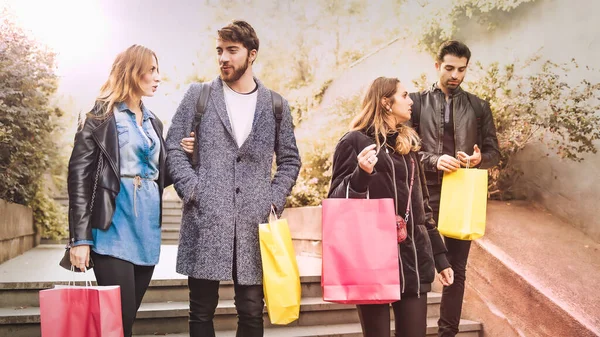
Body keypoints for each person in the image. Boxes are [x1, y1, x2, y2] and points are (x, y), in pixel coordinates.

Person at [165, 20, 301, 337]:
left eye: (232, 51)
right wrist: (193, 190)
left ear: (251, 55)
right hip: (206, 218)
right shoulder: (198, 96)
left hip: (256, 223)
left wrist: (273, 199)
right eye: (220, 51)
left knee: (252, 313)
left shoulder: (276, 104)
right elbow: (173, 146)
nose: (223, 58)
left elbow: (290, 158)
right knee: (200, 312)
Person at [328, 77, 454, 337]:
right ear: (386, 102)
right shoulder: (354, 142)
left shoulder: (408, 145)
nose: (411, 101)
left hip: (413, 258)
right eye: (404, 95)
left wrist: (441, 257)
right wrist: (361, 174)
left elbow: (422, 207)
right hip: (371, 257)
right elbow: (336, 202)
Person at [67, 44, 171, 337]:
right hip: (112, 228)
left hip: (147, 232)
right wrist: (80, 239)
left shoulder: (154, 122)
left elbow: (161, 175)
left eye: (157, 70)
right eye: (150, 70)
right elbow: (79, 179)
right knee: (117, 320)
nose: (157, 77)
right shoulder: (100, 117)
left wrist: (188, 153)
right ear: (131, 71)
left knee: (124, 322)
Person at [407, 40, 500, 337]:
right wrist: (434, 160)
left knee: (456, 270)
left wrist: (478, 159)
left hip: (461, 193)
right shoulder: (415, 102)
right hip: (423, 194)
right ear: (437, 66)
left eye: (461, 69)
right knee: (421, 268)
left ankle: (448, 333)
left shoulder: (479, 107)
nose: (455, 75)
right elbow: (403, 150)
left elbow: (494, 154)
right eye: (449, 68)